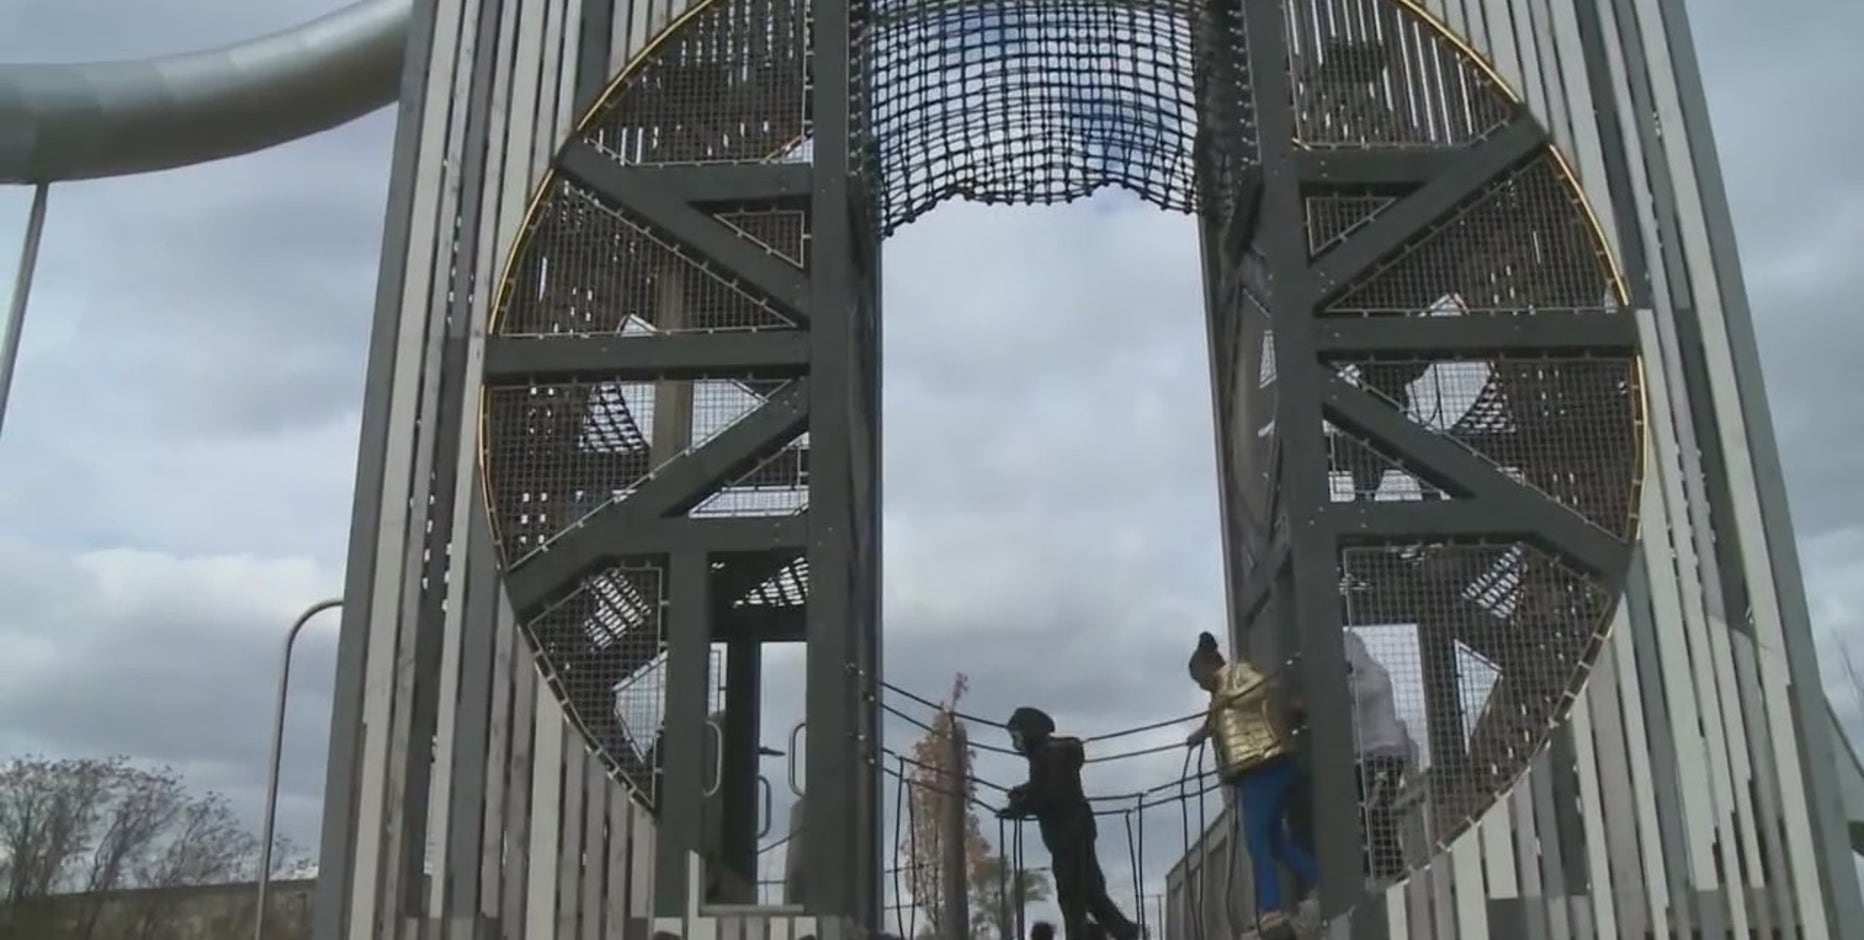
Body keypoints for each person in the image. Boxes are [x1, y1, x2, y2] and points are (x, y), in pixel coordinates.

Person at [1183, 632, 1316, 940]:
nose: (1200, 685)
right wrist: (1200, 735)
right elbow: (1215, 720)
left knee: (1256, 840)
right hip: (1255, 769)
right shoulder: (1218, 694)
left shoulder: (1237, 673)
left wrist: (1230, 696)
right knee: (1273, 841)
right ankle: (1317, 877)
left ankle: (1270, 908)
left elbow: (1261, 687)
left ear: (1207, 666)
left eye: (1199, 678)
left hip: (1263, 763)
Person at [998, 707, 1140, 940]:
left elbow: (1049, 794)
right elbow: (1043, 787)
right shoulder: (1050, 755)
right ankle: (1126, 932)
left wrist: (1020, 806)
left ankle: (1098, 934)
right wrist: (1023, 795)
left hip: (1068, 835)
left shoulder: (1047, 756)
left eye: (1017, 737)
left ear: (1030, 732)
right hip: (1076, 831)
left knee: (1072, 895)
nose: (1015, 744)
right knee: (1091, 892)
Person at [1284, 632, 1414, 884]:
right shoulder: (1347, 684)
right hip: (1361, 758)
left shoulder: (1376, 679)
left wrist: (1317, 688)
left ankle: (1392, 869)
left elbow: (1351, 695)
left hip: (1385, 754)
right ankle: (1370, 867)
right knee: (1348, 811)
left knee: (1376, 810)